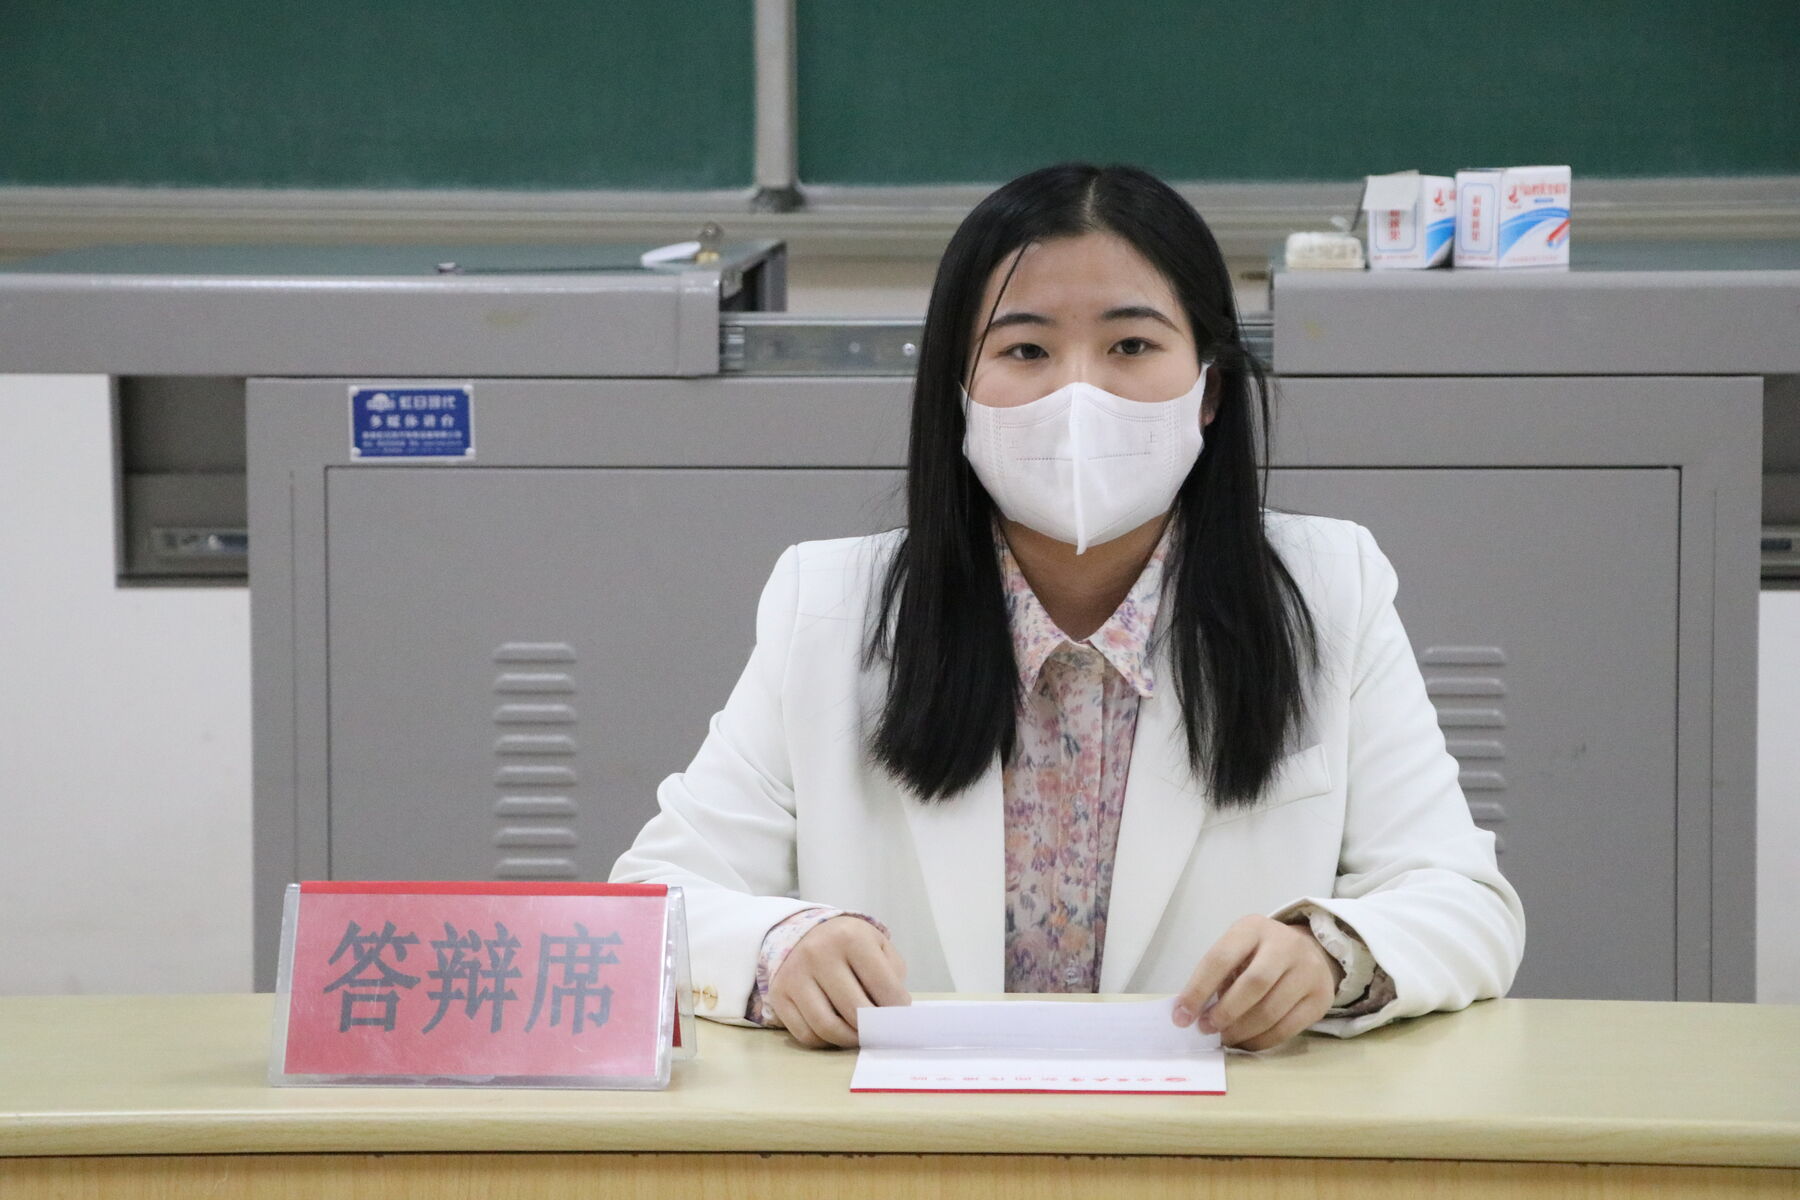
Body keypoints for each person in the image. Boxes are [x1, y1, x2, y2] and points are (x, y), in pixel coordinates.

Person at [611, 161, 1525, 1052]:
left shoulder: (1330, 589)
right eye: (1025, 350)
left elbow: (1464, 902)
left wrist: (1331, 953)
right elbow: (655, 898)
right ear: (958, 393)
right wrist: (780, 947)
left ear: (1208, 389)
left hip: (1222, 1133)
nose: (1077, 393)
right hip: (917, 1135)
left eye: (1131, 346)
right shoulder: (830, 606)